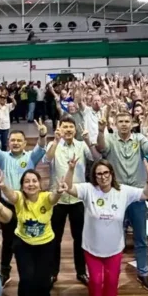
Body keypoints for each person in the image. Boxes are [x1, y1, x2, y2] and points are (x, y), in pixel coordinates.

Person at [61, 159, 148, 296]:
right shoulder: (88, 189)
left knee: (111, 282)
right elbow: (68, 187)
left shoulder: (123, 191)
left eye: (106, 173)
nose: (103, 177)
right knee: (96, 282)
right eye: (99, 174)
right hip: (92, 248)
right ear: (94, 176)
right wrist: (71, 169)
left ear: (111, 174)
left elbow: (146, 194)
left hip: (114, 249)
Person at [96, 109, 148, 290]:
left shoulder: (139, 138)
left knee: (141, 237)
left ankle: (143, 273)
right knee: (113, 237)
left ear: (132, 124)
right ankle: (111, 273)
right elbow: (101, 148)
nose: (123, 124)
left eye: (126, 121)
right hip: (117, 194)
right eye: (120, 121)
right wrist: (100, 131)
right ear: (115, 124)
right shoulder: (111, 139)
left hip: (137, 195)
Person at [0, 121, 48, 287]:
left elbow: (41, 146)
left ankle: (31, 272)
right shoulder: (3, 157)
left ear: (24, 143)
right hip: (7, 206)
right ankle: (5, 272)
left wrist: (42, 134)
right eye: (12, 140)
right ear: (8, 142)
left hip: (27, 205)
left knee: (29, 238)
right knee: (8, 240)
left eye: (19, 140)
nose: (15, 143)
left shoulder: (31, 157)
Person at [0, 169, 65, 296]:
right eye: (27, 181)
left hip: (46, 245)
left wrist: (59, 192)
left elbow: (54, 198)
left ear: (40, 185)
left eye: (34, 181)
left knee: (43, 281)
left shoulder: (45, 197)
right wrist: (3, 186)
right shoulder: (19, 197)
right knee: (27, 279)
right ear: (22, 186)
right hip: (23, 244)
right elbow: (11, 195)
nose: (31, 184)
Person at [46, 117, 94, 285]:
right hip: (57, 198)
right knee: (55, 238)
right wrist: (55, 141)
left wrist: (88, 140)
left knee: (79, 238)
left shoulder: (81, 145)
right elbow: (47, 159)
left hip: (77, 198)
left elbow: (94, 156)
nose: (68, 129)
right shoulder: (53, 144)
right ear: (59, 129)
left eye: (71, 127)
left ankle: (81, 272)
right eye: (64, 126)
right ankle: (52, 272)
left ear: (75, 130)